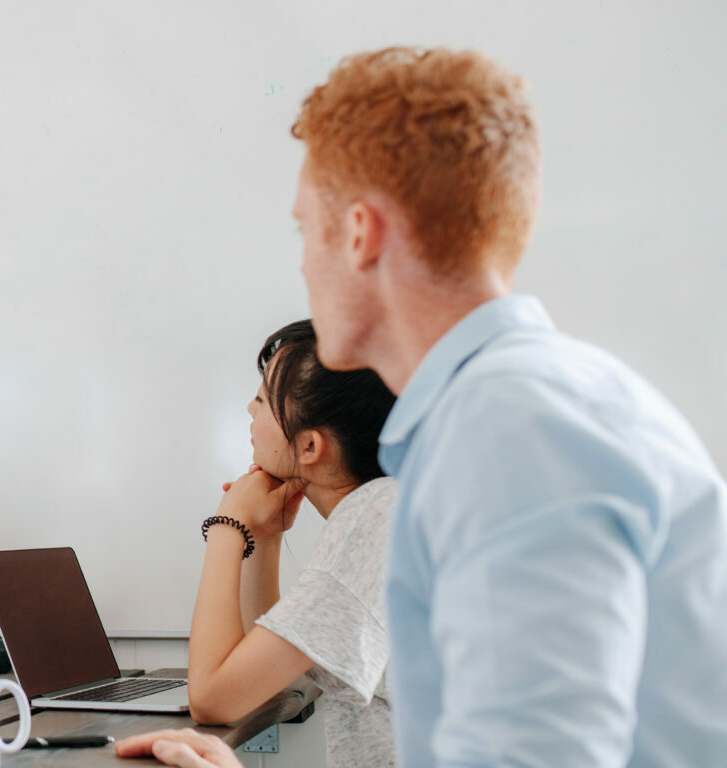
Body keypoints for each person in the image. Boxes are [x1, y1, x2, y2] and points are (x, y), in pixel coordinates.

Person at [289, 47, 727, 765]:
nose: (304, 261)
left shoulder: (507, 431)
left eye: (305, 229)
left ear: (361, 233)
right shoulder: (528, 403)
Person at [120, 319, 398, 767]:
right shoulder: (382, 509)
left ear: (310, 446)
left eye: (264, 399)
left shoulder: (374, 521)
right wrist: (264, 539)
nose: (250, 409)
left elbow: (214, 698)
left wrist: (227, 525)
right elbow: (258, 676)